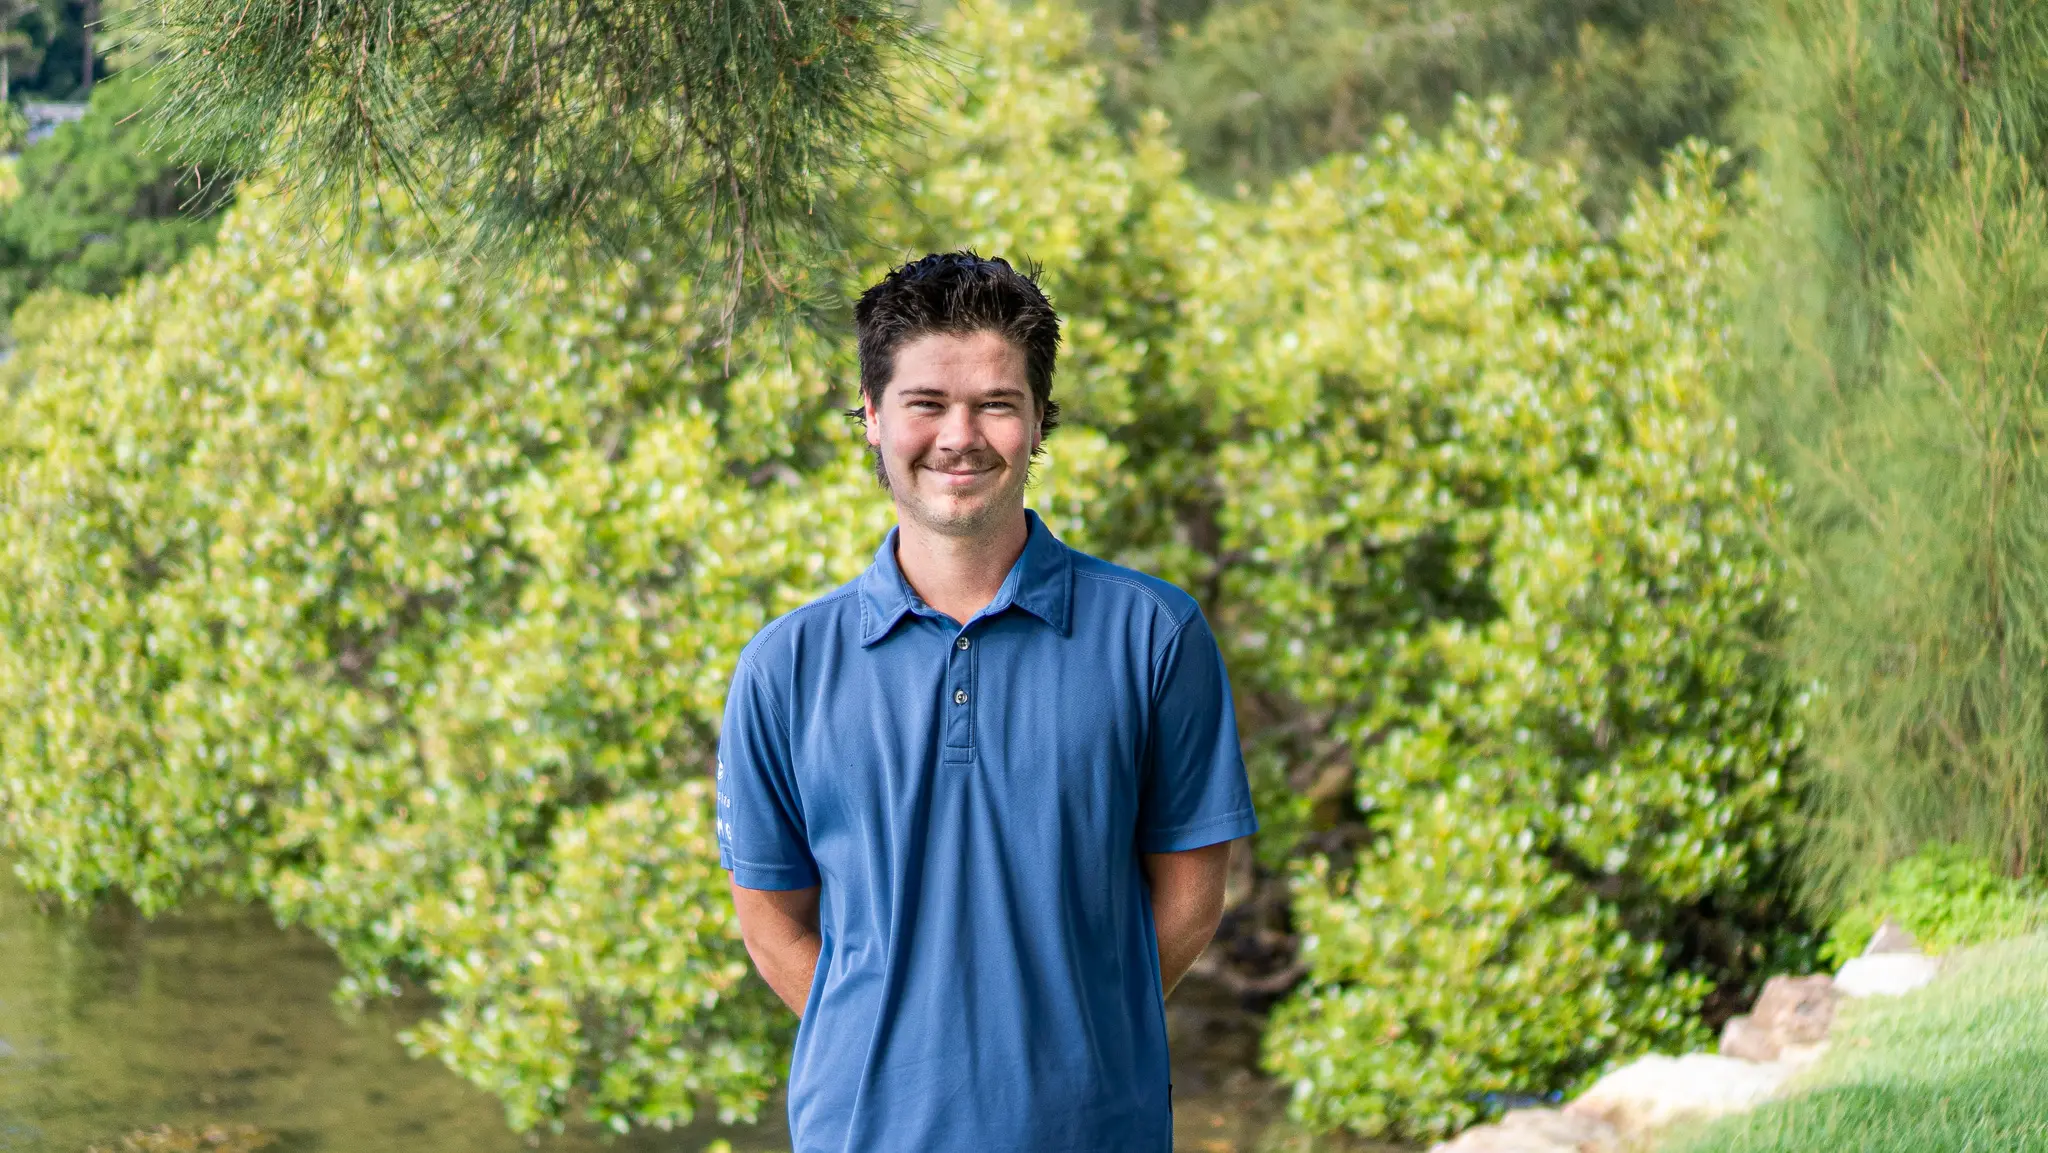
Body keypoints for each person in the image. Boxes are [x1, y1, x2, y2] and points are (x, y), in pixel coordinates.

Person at [715, 251, 1257, 1153]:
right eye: (926, 402)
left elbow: (1192, 901)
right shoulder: (784, 667)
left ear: (1039, 421)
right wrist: (891, 1047)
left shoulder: (1156, 635)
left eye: (996, 404)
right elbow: (770, 919)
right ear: (873, 414)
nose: (959, 436)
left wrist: (1074, 1037)